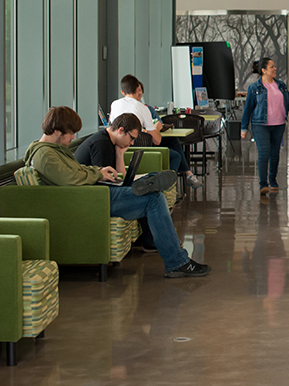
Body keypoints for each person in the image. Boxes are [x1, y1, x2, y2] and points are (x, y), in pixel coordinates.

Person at [29, 107, 210, 278]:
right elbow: (70, 178)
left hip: (92, 195)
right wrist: (97, 173)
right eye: (71, 133)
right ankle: (177, 262)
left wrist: (96, 172)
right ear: (57, 131)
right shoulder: (45, 155)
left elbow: (76, 172)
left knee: (153, 195)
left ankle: (176, 258)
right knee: (154, 199)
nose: (73, 137)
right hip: (91, 199)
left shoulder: (55, 151)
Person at [110, 75, 202, 189]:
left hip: (119, 145)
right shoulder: (143, 108)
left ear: (122, 92)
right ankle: (169, 187)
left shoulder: (114, 104)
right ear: (138, 89)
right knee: (175, 156)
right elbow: (157, 141)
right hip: (141, 147)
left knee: (172, 140)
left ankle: (188, 174)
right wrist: (157, 128)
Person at [240, 57, 289, 195]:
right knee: (264, 152)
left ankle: (273, 180)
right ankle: (263, 184)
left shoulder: (281, 85)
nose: (275, 69)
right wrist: (244, 128)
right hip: (260, 125)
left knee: (275, 154)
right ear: (264, 70)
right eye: (272, 67)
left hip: (278, 125)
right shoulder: (254, 88)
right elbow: (248, 109)